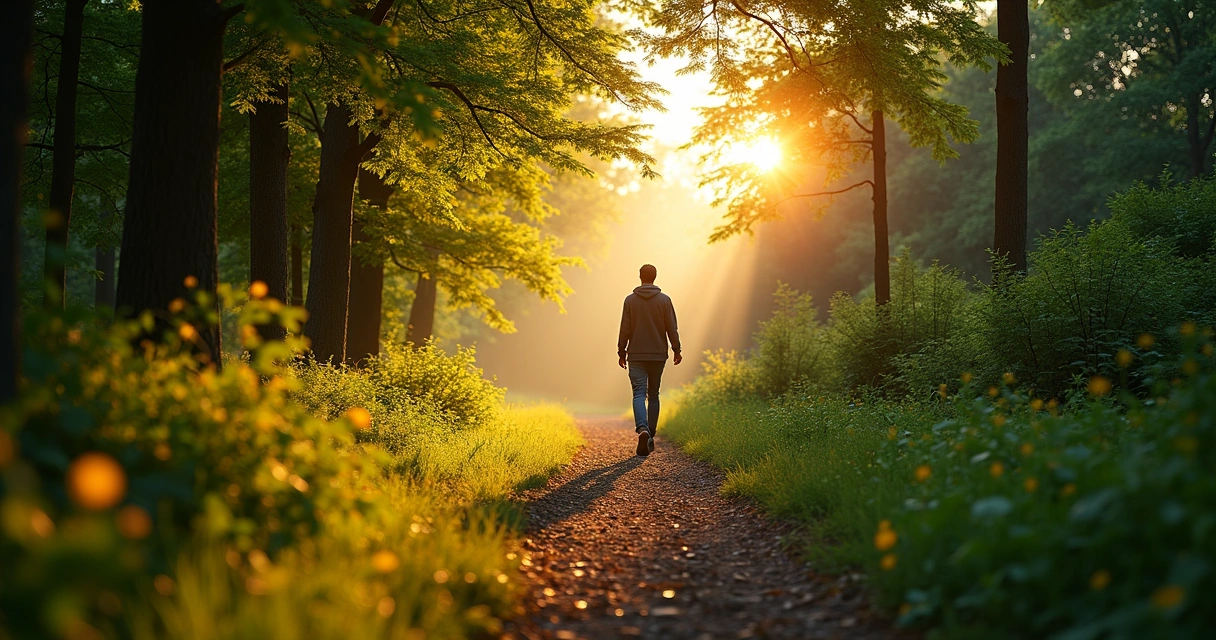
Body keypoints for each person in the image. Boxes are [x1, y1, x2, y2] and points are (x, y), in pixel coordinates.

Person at [617, 264, 682, 457]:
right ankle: (651, 435)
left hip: (636, 354)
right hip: (658, 355)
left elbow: (625, 329)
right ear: (655, 277)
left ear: (640, 277)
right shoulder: (664, 300)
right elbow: (672, 327)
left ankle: (642, 429)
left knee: (639, 393)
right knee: (653, 394)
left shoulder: (630, 301)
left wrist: (622, 351)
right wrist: (676, 349)